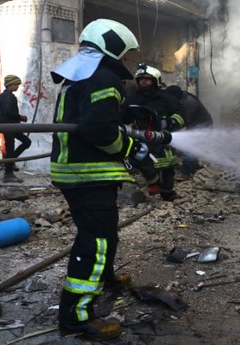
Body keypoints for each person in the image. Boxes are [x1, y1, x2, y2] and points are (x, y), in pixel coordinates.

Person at [49, 18, 170, 340]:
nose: (126, 61)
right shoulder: (103, 76)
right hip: (88, 174)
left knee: (104, 236)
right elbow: (98, 130)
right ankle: (75, 317)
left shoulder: (82, 75)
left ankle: (105, 278)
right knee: (95, 243)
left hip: (78, 172)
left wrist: (123, 117)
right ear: (112, 47)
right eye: (125, 53)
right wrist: (133, 148)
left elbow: (92, 118)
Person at [125, 63, 185, 201]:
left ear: (155, 80)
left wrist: (170, 123)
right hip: (141, 136)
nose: (143, 82)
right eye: (141, 79)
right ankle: (153, 183)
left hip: (162, 138)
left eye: (147, 79)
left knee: (167, 168)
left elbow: (181, 114)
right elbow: (125, 115)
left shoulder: (166, 98)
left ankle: (168, 193)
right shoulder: (133, 98)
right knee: (142, 162)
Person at [164, 85, 213, 176]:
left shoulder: (188, 103)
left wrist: (169, 129)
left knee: (189, 146)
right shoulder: (181, 98)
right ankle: (193, 166)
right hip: (194, 125)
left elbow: (183, 121)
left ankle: (188, 171)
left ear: (174, 96)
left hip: (202, 126)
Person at [0, 74, 31, 183]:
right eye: (17, 84)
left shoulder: (6, 95)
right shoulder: (8, 97)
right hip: (9, 125)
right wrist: (21, 117)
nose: (18, 87)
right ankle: (8, 172)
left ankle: (10, 163)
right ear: (12, 84)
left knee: (25, 142)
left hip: (10, 126)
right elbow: (8, 112)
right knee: (14, 146)